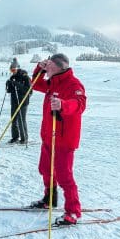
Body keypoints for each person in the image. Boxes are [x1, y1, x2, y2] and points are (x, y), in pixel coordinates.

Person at [30, 53, 86, 225]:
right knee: (45, 169)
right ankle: (50, 199)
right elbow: (35, 83)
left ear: (58, 67)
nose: (47, 69)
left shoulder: (73, 84)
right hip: (48, 136)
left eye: (49, 66)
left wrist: (63, 105)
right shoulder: (51, 82)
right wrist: (39, 67)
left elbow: (80, 104)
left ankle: (73, 211)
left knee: (64, 175)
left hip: (64, 139)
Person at [6, 57, 31, 144]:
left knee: (21, 120)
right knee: (13, 119)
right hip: (14, 101)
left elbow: (29, 90)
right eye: (11, 70)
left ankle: (24, 138)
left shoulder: (25, 77)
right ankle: (15, 137)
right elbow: (9, 91)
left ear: (17, 68)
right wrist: (8, 85)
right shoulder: (12, 77)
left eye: (14, 70)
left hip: (23, 101)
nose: (12, 72)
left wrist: (17, 84)